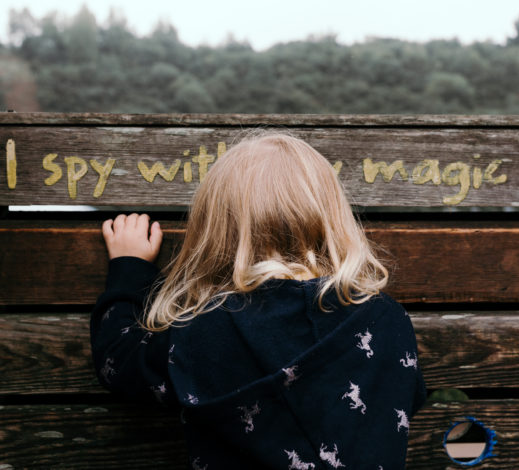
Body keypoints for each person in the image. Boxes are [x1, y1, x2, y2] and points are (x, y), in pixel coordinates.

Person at [90, 132, 426, 469]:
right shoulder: (386, 320)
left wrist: (129, 267)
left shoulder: (206, 328)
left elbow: (119, 363)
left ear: (218, 229)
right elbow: (406, 395)